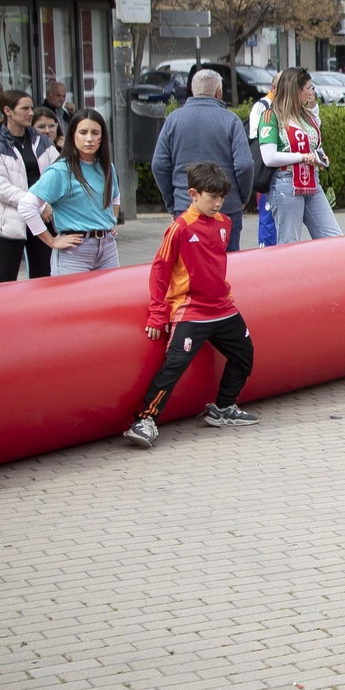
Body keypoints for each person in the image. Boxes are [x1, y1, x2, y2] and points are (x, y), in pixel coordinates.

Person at [124, 161, 258, 449]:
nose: (218, 203)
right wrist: (157, 315)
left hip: (222, 308)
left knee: (245, 354)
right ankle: (145, 420)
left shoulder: (226, 223)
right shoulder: (180, 228)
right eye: (212, 197)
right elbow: (160, 271)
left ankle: (223, 408)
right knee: (174, 365)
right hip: (190, 310)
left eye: (222, 197)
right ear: (194, 195)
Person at [150, 69, 255, 252]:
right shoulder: (231, 120)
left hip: (186, 206)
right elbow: (245, 165)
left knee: (189, 268)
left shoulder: (173, 120)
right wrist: (243, 198)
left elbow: (159, 165)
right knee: (226, 267)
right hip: (226, 207)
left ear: (193, 90)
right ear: (218, 93)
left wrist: (172, 203)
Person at [20, 109, 122, 275]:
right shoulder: (60, 171)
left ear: (102, 137)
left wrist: (110, 222)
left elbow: (115, 197)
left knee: (111, 300)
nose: (89, 138)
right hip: (75, 252)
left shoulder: (107, 167)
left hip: (108, 249)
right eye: (83, 132)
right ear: (73, 135)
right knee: (73, 301)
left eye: (95, 132)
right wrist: (52, 241)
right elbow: (26, 206)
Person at [0, 88, 59, 282]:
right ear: (8, 111)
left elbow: (58, 173)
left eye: (31, 108)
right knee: (7, 280)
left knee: (43, 277)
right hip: (10, 221)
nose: (31, 113)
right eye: (25, 108)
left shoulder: (41, 141)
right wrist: (38, 204)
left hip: (43, 219)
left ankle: (40, 313)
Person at [258, 67, 343, 243]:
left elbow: (314, 145)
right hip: (286, 184)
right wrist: (303, 157)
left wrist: (320, 156)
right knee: (290, 244)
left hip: (313, 182)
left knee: (334, 239)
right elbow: (269, 157)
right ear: (296, 90)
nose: (311, 92)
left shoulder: (306, 115)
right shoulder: (270, 116)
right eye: (309, 88)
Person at [247, 88, 277, 247]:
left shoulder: (282, 106)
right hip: (266, 170)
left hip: (279, 170)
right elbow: (256, 138)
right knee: (267, 217)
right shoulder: (262, 106)